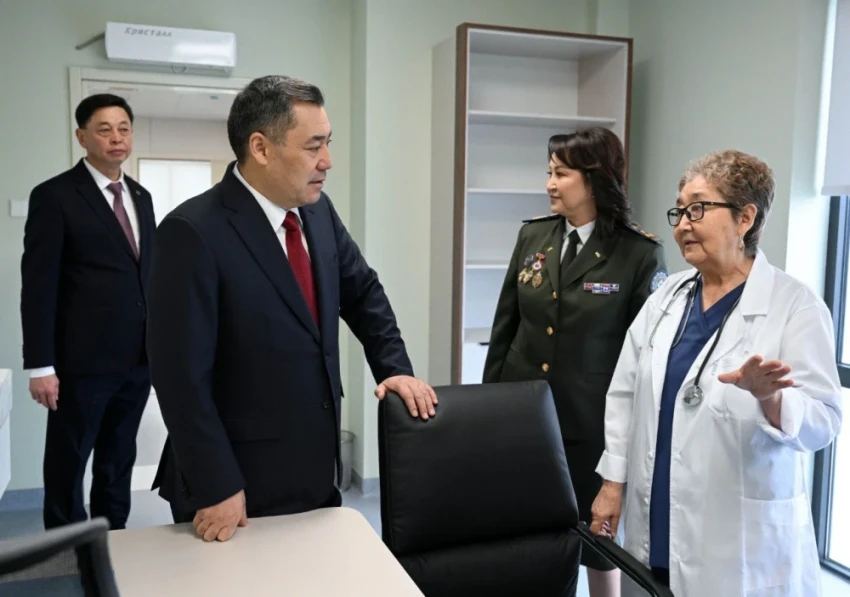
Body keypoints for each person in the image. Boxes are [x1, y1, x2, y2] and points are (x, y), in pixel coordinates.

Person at [146, 75, 437, 543]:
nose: (327, 161)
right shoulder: (192, 231)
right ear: (260, 148)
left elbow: (362, 293)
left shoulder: (317, 212)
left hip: (315, 469)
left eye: (328, 143)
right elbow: (179, 378)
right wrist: (216, 481)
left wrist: (394, 368)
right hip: (236, 482)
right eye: (313, 146)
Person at [590, 149, 843, 596]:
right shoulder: (667, 298)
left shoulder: (795, 307)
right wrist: (613, 484)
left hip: (738, 544)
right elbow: (625, 394)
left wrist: (772, 398)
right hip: (655, 519)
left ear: (745, 218)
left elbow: (824, 420)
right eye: (679, 211)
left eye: (698, 209)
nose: (682, 225)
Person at [482, 127, 667, 597]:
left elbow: (645, 360)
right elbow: (505, 328)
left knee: (598, 543)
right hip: (523, 417)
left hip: (592, 426)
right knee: (524, 531)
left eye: (561, 173)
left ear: (595, 179)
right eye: (549, 172)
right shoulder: (533, 236)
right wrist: (488, 408)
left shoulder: (638, 254)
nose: (549, 183)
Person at [20, 94, 156, 530]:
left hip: (138, 360)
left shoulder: (141, 196)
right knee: (68, 463)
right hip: (80, 364)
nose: (117, 138)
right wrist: (41, 365)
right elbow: (38, 287)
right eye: (104, 129)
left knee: (118, 459)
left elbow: (146, 276)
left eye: (124, 128)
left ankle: (112, 540)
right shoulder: (55, 196)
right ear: (82, 137)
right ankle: (65, 550)